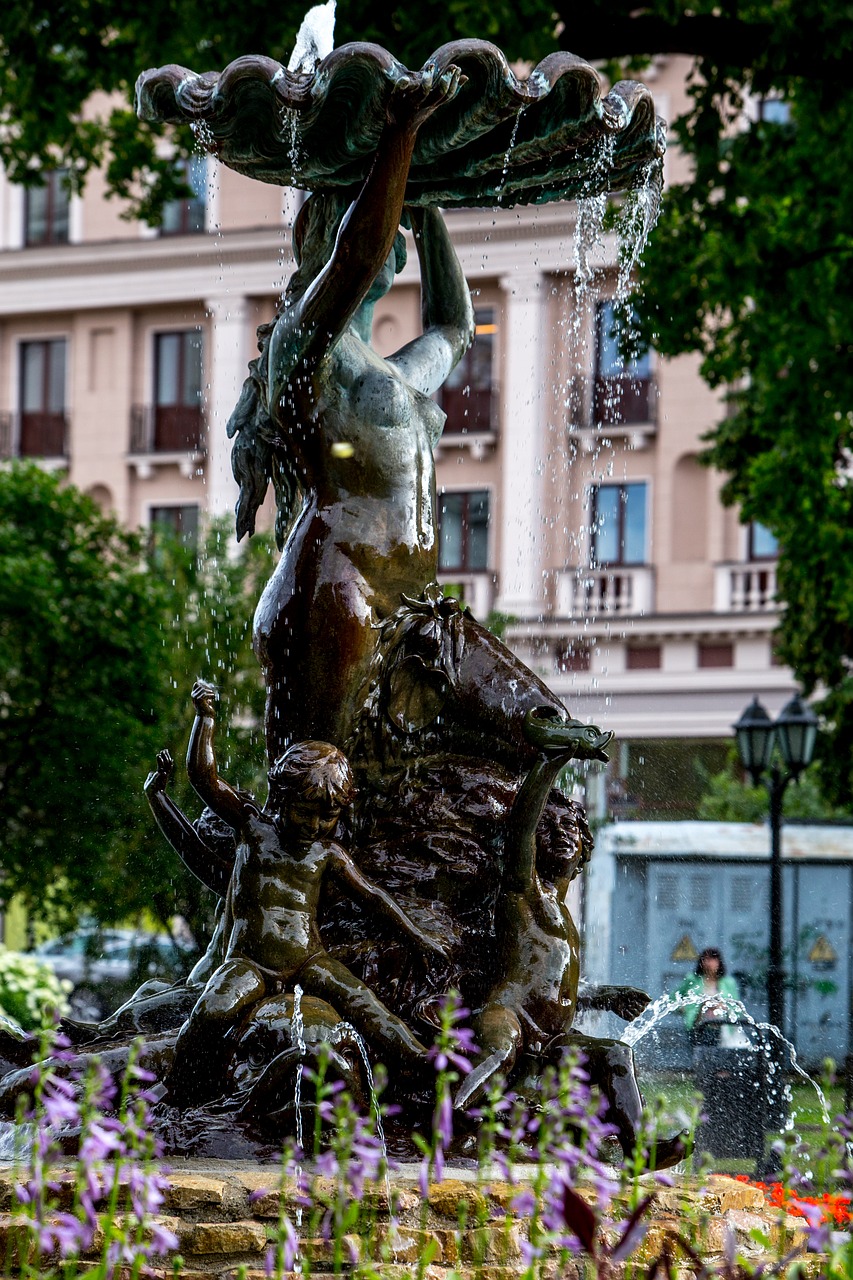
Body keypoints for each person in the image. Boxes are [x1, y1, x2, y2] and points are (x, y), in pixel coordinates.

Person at [165, 680, 446, 1106]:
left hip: (309, 960)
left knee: (363, 1000)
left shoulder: (327, 854)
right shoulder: (253, 830)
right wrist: (205, 719)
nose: (314, 827)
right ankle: (176, 1090)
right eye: (303, 812)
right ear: (280, 796)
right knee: (211, 1010)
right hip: (249, 962)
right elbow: (203, 778)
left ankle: (425, 1062)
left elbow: (372, 898)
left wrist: (417, 937)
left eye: (327, 817)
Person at [455, 708, 688, 1171]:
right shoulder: (524, 890)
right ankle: (457, 1116)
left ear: (584, 848)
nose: (562, 836)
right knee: (500, 1051)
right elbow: (521, 822)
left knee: (615, 1054)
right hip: (510, 1019)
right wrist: (553, 759)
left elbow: (556, 986)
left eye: (572, 830)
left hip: (553, 1037)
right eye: (551, 829)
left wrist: (605, 996)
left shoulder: (565, 915)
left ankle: (639, 1148)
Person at [678, 948, 741, 1044]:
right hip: (698, 1026)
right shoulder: (693, 980)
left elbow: (736, 1007)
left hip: (721, 1028)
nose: (708, 963)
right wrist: (684, 1009)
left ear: (719, 962)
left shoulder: (728, 982)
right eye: (705, 959)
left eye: (712, 959)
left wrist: (721, 1007)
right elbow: (674, 998)